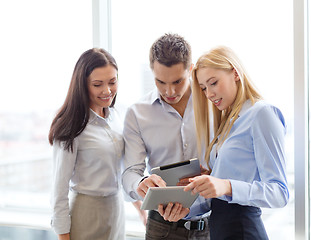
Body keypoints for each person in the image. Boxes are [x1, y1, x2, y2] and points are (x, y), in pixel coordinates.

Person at [159, 46, 289, 239]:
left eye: (213, 83)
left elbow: (280, 193)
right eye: (203, 88)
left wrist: (226, 186)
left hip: (243, 230)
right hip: (220, 231)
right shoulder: (228, 122)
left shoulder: (261, 113)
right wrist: (186, 209)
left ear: (235, 73)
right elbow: (220, 198)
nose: (209, 94)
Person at [48, 48, 145, 240]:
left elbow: (120, 170)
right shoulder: (72, 126)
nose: (107, 91)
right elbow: (59, 190)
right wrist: (63, 237)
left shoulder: (116, 117)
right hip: (87, 213)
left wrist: (140, 208)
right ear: (82, 85)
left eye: (112, 82)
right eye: (97, 84)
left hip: (116, 211)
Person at [122, 33, 210, 240]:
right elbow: (129, 174)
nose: (169, 91)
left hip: (214, 221)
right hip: (162, 227)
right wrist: (140, 183)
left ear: (190, 69)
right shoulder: (137, 113)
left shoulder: (213, 102)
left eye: (177, 81)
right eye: (160, 81)